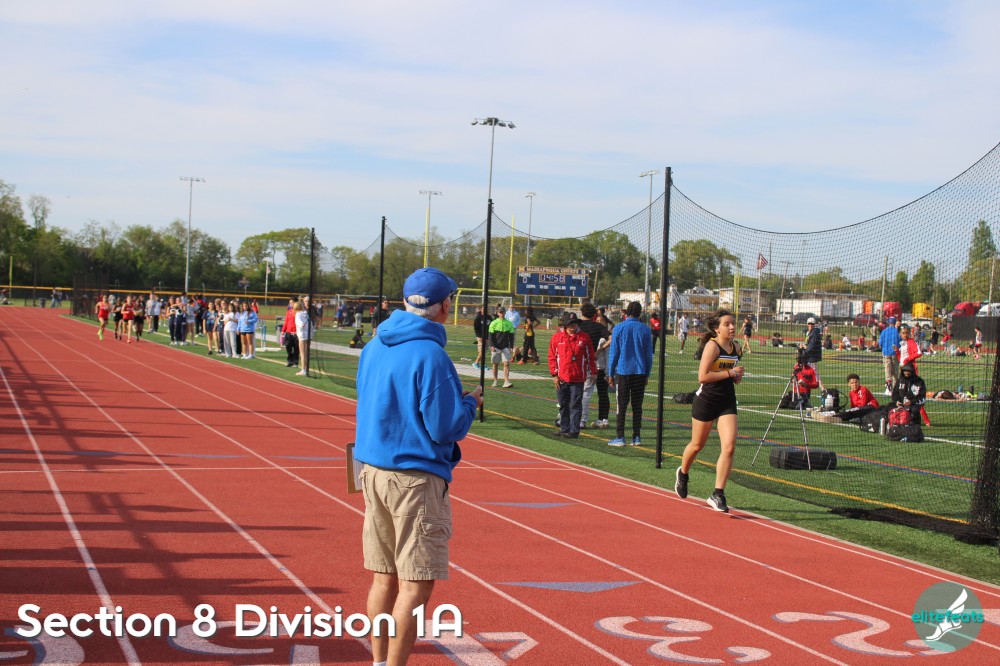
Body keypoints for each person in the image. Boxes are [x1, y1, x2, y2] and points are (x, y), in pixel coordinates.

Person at [354, 267, 482, 666]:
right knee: (415, 587)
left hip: (372, 470)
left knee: (383, 578)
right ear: (444, 306)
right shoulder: (431, 355)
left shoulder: (374, 345)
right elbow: (445, 427)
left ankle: (379, 661)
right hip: (414, 477)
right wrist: (469, 404)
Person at [674, 309, 744, 513]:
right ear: (716, 328)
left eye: (733, 323)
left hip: (727, 402)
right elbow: (703, 377)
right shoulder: (712, 346)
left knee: (729, 447)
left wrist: (736, 376)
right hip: (706, 401)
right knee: (697, 445)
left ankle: (718, 493)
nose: (732, 327)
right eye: (727, 324)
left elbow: (731, 376)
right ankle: (683, 473)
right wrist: (729, 372)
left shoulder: (736, 347)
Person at [607, 301, 653, 447]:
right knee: (637, 406)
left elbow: (614, 353)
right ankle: (636, 437)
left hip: (623, 371)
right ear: (640, 313)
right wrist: (647, 374)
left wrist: (610, 373)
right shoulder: (645, 329)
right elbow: (648, 355)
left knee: (622, 405)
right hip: (639, 372)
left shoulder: (619, 328)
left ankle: (620, 436)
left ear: (626, 312)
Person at [548, 312, 597, 439]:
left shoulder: (584, 337)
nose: (572, 326)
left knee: (575, 404)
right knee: (563, 404)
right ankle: (564, 429)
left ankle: (574, 431)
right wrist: (554, 375)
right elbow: (552, 357)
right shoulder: (557, 338)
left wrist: (593, 372)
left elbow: (590, 356)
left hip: (578, 377)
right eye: (570, 324)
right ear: (565, 325)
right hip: (561, 378)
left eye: (574, 323)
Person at [578, 302, 612, 429]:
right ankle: (583, 419)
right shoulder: (598, 329)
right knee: (586, 393)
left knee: (579, 391)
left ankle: (595, 419)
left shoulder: (578, 326)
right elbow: (611, 339)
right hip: (593, 365)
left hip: (584, 364)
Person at [488, 306, 516, 388]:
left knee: (506, 363)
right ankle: (495, 380)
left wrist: (511, 346)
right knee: (495, 364)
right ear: (497, 313)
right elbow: (491, 336)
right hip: (496, 346)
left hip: (505, 346)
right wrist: (491, 345)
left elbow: (511, 336)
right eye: (500, 312)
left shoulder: (509, 323)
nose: (502, 314)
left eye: (503, 312)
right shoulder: (493, 323)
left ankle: (506, 381)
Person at [801, 317, 825, 392]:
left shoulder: (814, 333)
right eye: (809, 324)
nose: (810, 325)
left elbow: (812, 345)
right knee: (812, 373)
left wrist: (805, 351)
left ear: (814, 324)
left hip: (812, 356)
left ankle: (823, 390)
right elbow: (809, 344)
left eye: (812, 324)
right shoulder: (811, 332)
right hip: (810, 356)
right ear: (807, 324)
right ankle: (822, 390)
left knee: (815, 374)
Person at [879, 316, 901, 395]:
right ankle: (895, 388)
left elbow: (880, 343)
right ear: (895, 322)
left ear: (888, 322)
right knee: (895, 371)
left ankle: (888, 387)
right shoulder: (897, 331)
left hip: (886, 352)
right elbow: (900, 342)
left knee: (887, 370)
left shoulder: (884, 331)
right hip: (895, 352)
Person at [294, 300, 313, 376]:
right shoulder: (306, 314)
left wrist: (301, 325)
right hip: (309, 335)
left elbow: (300, 323)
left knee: (302, 354)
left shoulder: (298, 315)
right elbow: (311, 325)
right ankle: (306, 369)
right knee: (306, 353)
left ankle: (303, 370)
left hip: (302, 336)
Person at [472, 305, 492, 370]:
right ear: (481, 309)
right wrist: (479, 336)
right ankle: (476, 363)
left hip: (487, 337)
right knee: (482, 352)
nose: (485, 310)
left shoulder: (489, 317)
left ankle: (483, 364)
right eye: (483, 308)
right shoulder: (478, 317)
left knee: (484, 352)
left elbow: (491, 326)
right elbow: (476, 328)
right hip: (480, 337)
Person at [281, 298, 300, 367]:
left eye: (292, 302)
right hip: (288, 332)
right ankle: (290, 360)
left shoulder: (299, 312)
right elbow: (286, 322)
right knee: (288, 346)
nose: (291, 304)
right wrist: (283, 330)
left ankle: (295, 362)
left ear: (296, 303)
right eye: (290, 303)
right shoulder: (289, 312)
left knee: (296, 348)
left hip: (296, 333)